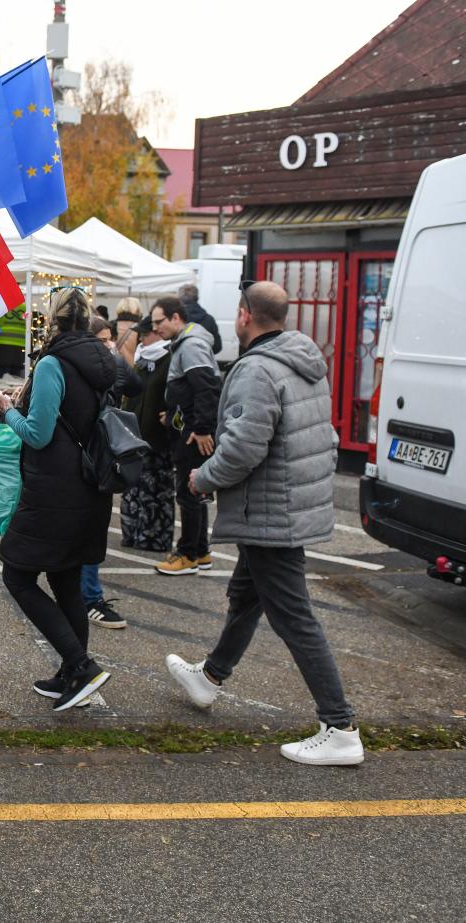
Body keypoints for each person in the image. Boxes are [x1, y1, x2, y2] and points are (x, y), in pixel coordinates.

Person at [165, 282, 362, 766]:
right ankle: (209, 677)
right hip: (289, 503)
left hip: (272, 509)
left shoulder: (256, 369)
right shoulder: (304, 361)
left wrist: (202, 478)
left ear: (244, 316)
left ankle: (340, 727)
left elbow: (243, 447)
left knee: (293, 616)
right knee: (246, 596)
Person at [0, 287, 117, 711]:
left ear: (53, 321)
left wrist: (7, 410)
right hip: (90, 485)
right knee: (66, 582)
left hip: (54, 489)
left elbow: (38, 434)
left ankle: (81, 666)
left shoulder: (53, 364)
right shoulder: (104, 359)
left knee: (18, 576)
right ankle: (72, 678)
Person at [151, 294, 222, 576]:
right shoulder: (188, 342)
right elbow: (190, 391)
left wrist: (202, 429)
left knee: (188, 492)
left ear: (176, 318)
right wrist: (173, 415)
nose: (156, 328)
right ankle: (201, 550)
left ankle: (188, 553)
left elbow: (206, 387)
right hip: (189, 428)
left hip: (194, 434)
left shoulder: (191, 345)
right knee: (196, 487)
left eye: (159, 322)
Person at [78, 317, 142, 631]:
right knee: (88, 528)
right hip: (91, 454)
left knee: (89, 527)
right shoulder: (102, 364)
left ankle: (85, 595)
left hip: (96, 453)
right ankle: (88, 598)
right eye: (103, 338)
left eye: (109, 338)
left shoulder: (98, 364)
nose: (107, 344)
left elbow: (135, 385)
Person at [120, 316, 175, 554]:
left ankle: (154, 538)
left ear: (157, 333)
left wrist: (171, 418)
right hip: (135, 437)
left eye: (145, 333)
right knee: (133, 488)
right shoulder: (142, 359)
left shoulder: (170, 359)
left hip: (157, 439)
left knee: (156, 493)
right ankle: (132, 533)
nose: (140, 338)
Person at [178, 282, 223, 356]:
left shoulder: (176, 320)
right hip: (204, 361)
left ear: (179, 299)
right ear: (197, 298)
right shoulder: (209, 319)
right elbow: (218, 346)